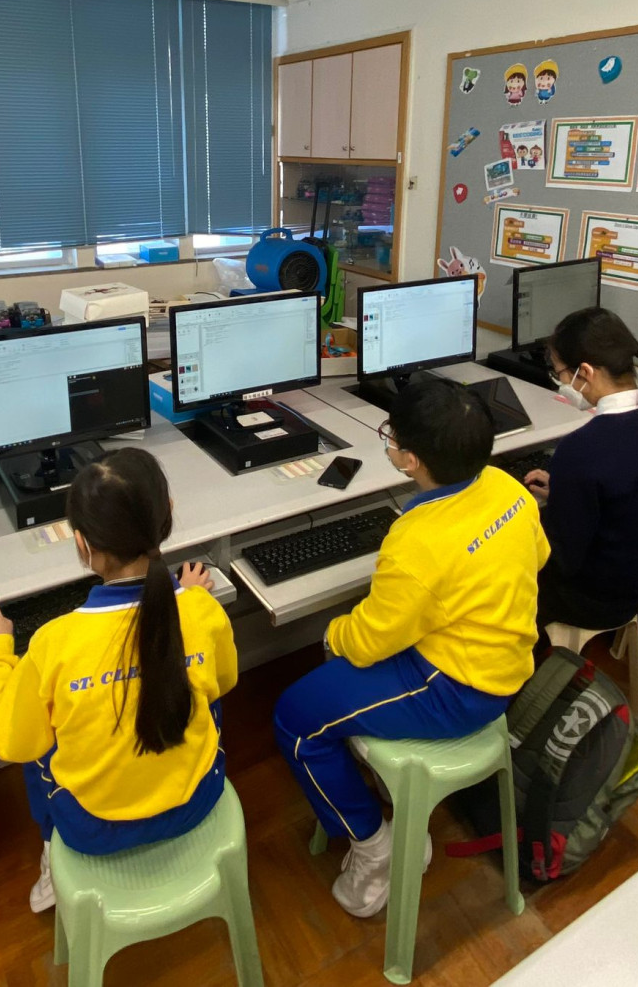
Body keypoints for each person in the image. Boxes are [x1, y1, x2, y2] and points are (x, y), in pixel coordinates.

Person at [273, 381, 548, 918]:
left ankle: (373, 845)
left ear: (412, 460)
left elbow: (368, 641)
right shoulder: (505, 486)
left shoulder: (416, 539)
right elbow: (537, 556)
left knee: (295, 718)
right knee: (331, 688)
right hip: (509, 659)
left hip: (459, 687)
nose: (389, 444)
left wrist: (331, 635)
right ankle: (376, 788)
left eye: (391, 436)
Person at [0, 448, 236, 913]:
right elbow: (226, 680)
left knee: (38, 735)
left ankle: (51, 852)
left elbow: (11, 742)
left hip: (94, 829)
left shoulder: (54, 643)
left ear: (82, 544)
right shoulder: (200, 611)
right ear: (167, 515)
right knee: (199, 687)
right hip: (197, 799)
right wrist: (189, 599)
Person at [523, 308, 638, 636]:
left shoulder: (582, 448)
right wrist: (567, 491)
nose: (561, 382)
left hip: (590, 597)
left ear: (585, 372)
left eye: (560, 372)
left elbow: (560, 557)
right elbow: (632, 489)